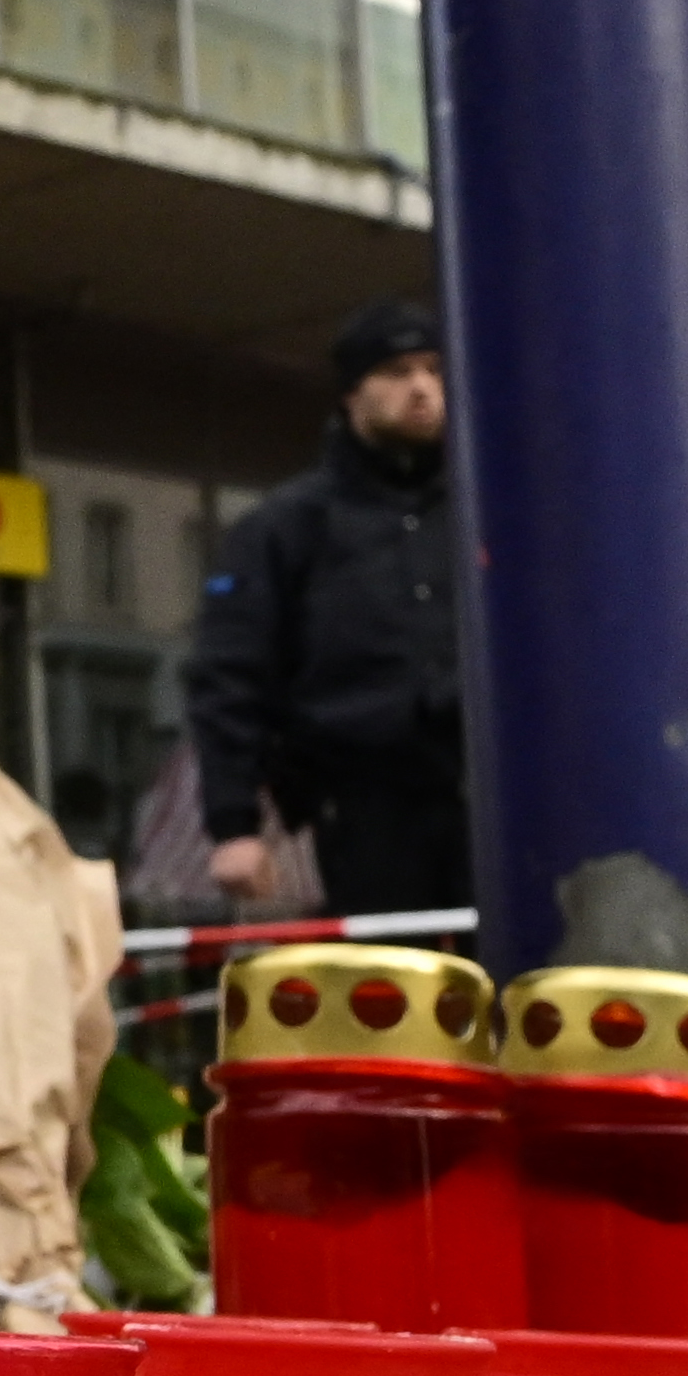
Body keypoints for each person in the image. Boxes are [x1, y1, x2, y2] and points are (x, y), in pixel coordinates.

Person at [186, 297, 466, 925]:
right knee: (396, 1005)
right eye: (396, 373)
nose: (421, 389)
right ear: (350, 394)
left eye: (433, 370)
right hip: (361, 803)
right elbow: (229, 674)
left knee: (519, 999)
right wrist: (234, 825)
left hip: (493, 793)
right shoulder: (286, 526)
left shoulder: (484, 508)